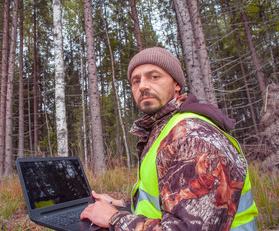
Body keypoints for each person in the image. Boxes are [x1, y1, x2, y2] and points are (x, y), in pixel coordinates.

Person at [80, 47, 258, 231]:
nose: (142, 86)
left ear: (176, 85)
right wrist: (118, 205)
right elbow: (169, 202)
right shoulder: (164, 129)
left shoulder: (190, 137)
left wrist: (114, 218)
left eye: (154, 76)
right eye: (136, 81)